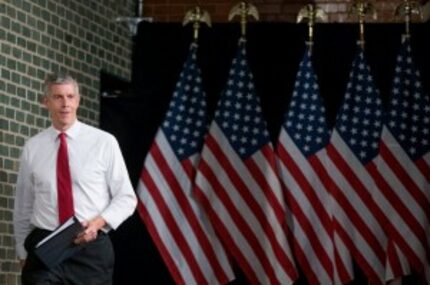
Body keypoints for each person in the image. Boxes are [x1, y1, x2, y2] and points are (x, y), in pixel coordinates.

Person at [13, 72, 137, 284]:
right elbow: (23, 206)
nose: (65, 104)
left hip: (89, 247)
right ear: (46, 102)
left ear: (78, 101)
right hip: (45, 246)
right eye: (58, 97)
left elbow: (126, 198)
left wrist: (97, 223)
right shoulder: (33, 147)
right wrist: (23, 253)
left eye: (70, 97)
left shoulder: (104, 142)